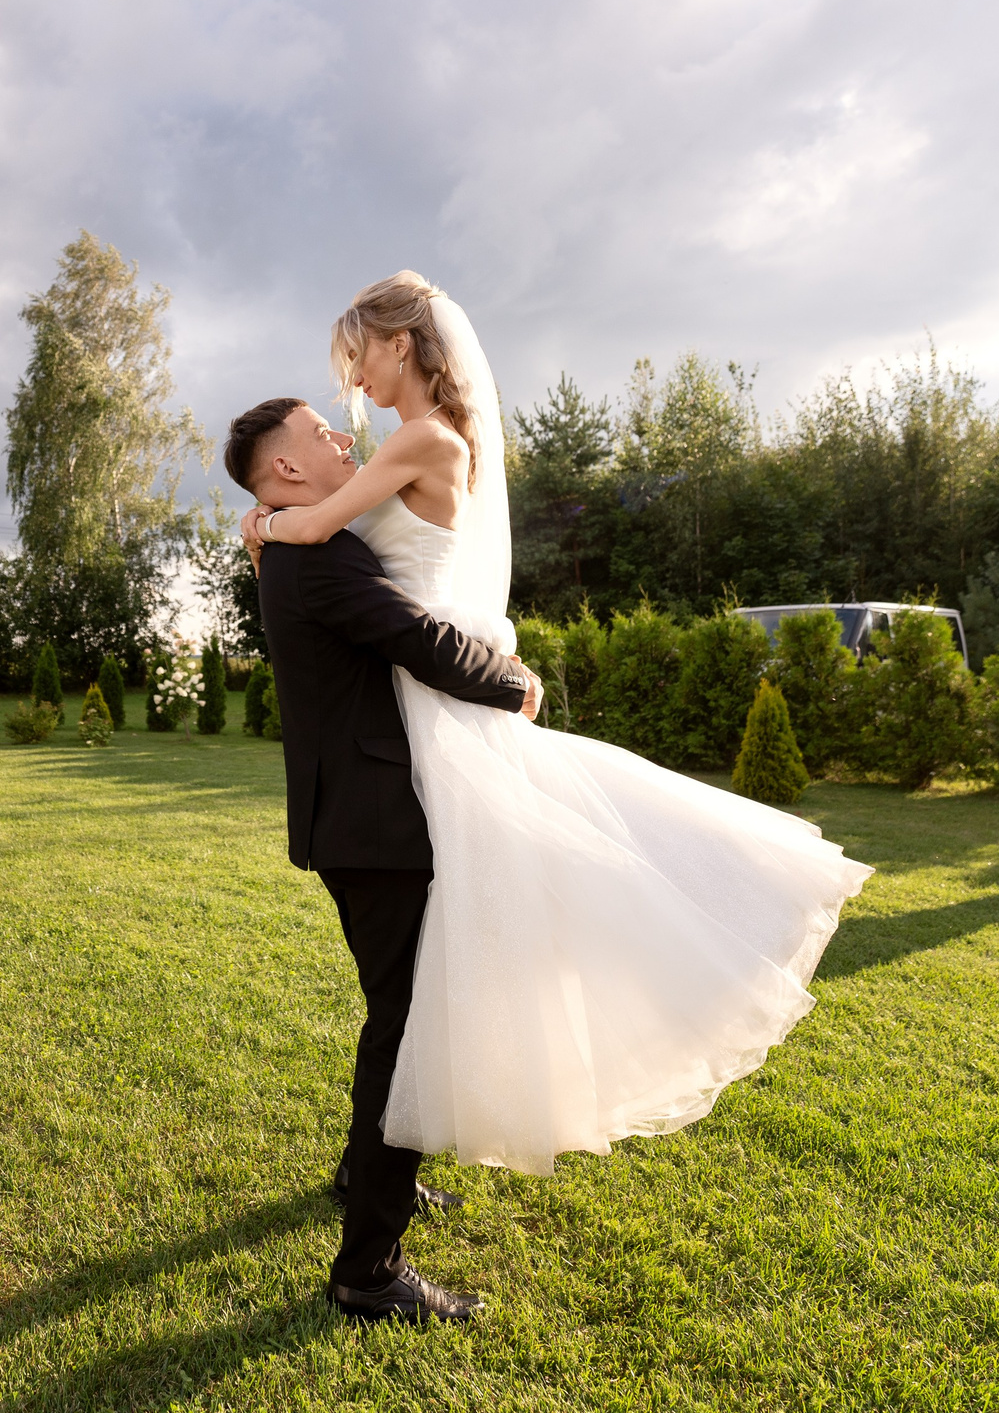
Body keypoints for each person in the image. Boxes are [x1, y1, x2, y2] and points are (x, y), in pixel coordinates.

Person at [234, 271, 872, 1224]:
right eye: (322, 421)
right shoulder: (369, 485)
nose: (349, 394)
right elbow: (366, 581)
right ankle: (372, 1226)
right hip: (405, 741)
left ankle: (379, 1169)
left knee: (451, 969)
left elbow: (340, 537)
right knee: (416, 1002)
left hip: (422, 724)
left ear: (400, 345)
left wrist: (263, 525)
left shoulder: (415, 445)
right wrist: (272, 524)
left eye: (358, 355)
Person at [226, 393, 543, 1323]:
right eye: (320, 434)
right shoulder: (314, 552)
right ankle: (368, 1268)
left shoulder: (293, 537)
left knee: (395, 1010)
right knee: (403, 1024)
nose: (340, 439)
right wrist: (513, 682)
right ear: (284, 469)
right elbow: (414, 636)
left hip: (354, 818)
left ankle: (368, 1178)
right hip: (375, 823)